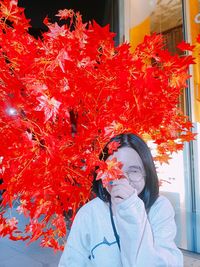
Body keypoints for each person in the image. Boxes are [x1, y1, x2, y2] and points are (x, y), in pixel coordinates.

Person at [58, 133, 183, 267]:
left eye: (134, 171)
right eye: (114, 170)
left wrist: (130, 208)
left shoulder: (159, 208)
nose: (123, 180)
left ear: (147, 174)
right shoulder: (89, 213)